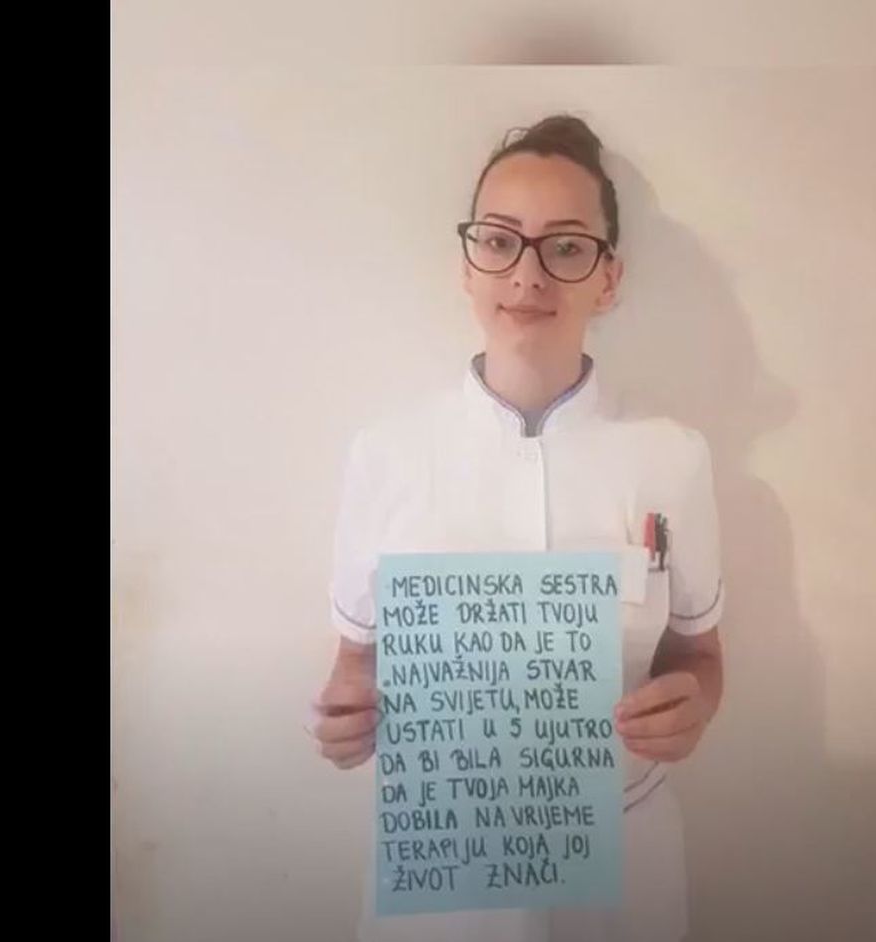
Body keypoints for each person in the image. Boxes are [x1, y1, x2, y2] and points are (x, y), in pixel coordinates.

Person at [308, 114, 726, 942]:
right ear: (467, 265)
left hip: (623, 864)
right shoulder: (385, 454)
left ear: (608, 277)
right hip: (443, 875)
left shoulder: (673, 457)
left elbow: (700, 655)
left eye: (566, 247)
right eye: (500, 241)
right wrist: (343, 719)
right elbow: (355, 663)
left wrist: (695, 707)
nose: (528, 275)